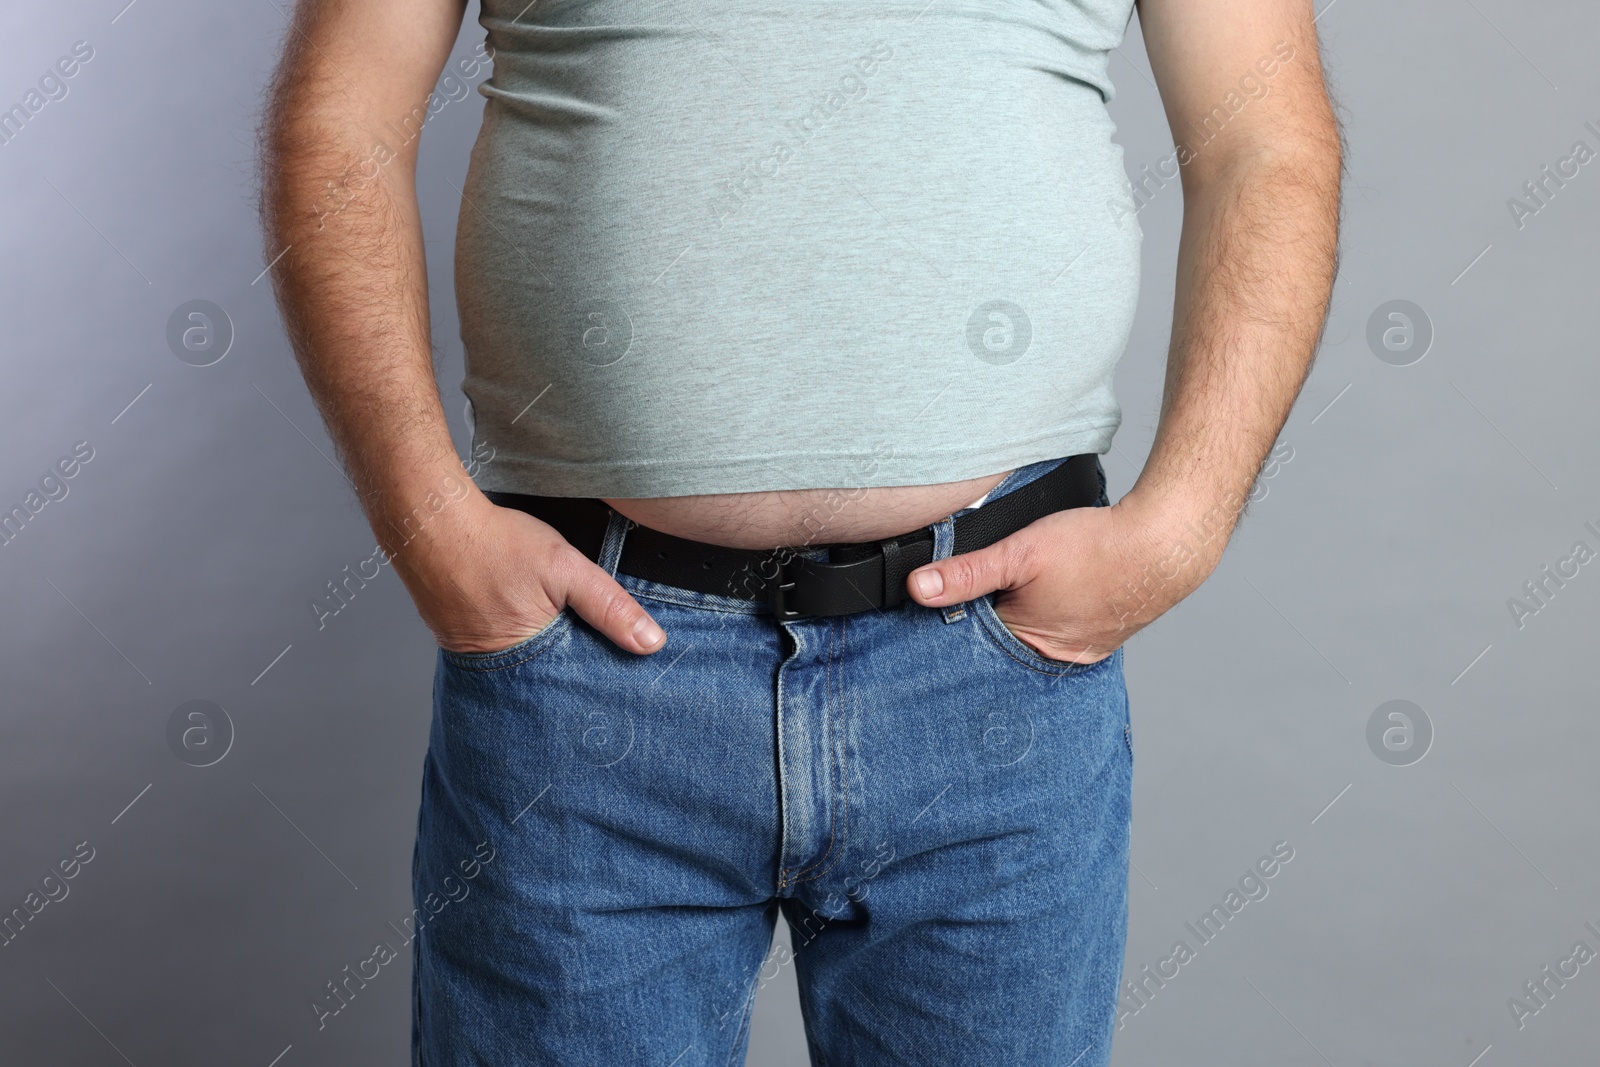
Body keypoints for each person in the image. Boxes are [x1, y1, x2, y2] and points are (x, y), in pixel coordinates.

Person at [258, 0, 1340, 1060]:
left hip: (993, 673)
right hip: (584, 668)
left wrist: (1181, 527)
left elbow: (1264, 140)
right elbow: (343, 111)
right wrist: (427, 521)